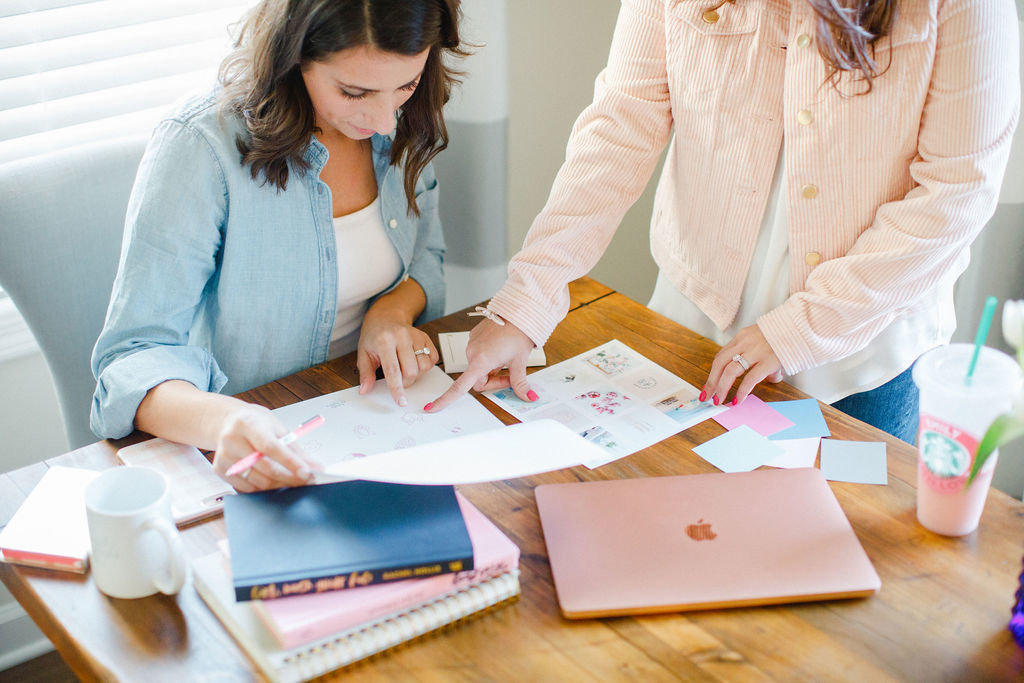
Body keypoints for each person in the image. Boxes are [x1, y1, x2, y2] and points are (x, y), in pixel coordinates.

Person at [426, 0, 1020, 444]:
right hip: (692, 319)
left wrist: (800, 329)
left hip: (862, 356)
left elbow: (956, 191)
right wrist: (527, 301)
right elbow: (622, 123)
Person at [91, 0, 467, 490]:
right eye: (355, 92)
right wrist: (225, 422)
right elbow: (131, 358)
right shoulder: (201, 147)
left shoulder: (401, 118)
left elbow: (427, 259)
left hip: (381, 426)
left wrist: (391, 313)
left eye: (407, 84)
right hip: (252, 450)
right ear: (294, 56)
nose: (382, 119)